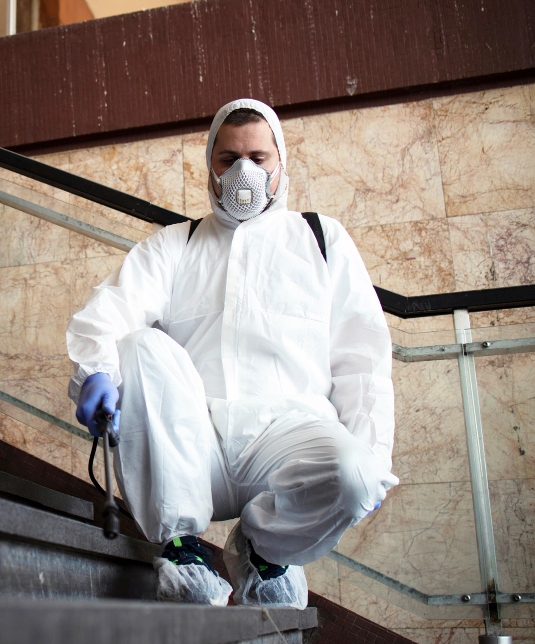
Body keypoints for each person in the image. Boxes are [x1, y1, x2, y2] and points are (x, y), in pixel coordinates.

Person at [66, 99, 398, 609]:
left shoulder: (320, 239)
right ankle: (180, 545)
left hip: (289, 443)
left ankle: (264, 549)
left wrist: (372, 455)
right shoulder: (176, 246)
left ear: (280, 164)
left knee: (356, 474)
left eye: (258, 159)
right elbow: (108, 312)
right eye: (228, 159)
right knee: (134, 346)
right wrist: (96, 373)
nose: (244, 172)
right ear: (211, 168)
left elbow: (363, 358)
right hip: (192, 446)